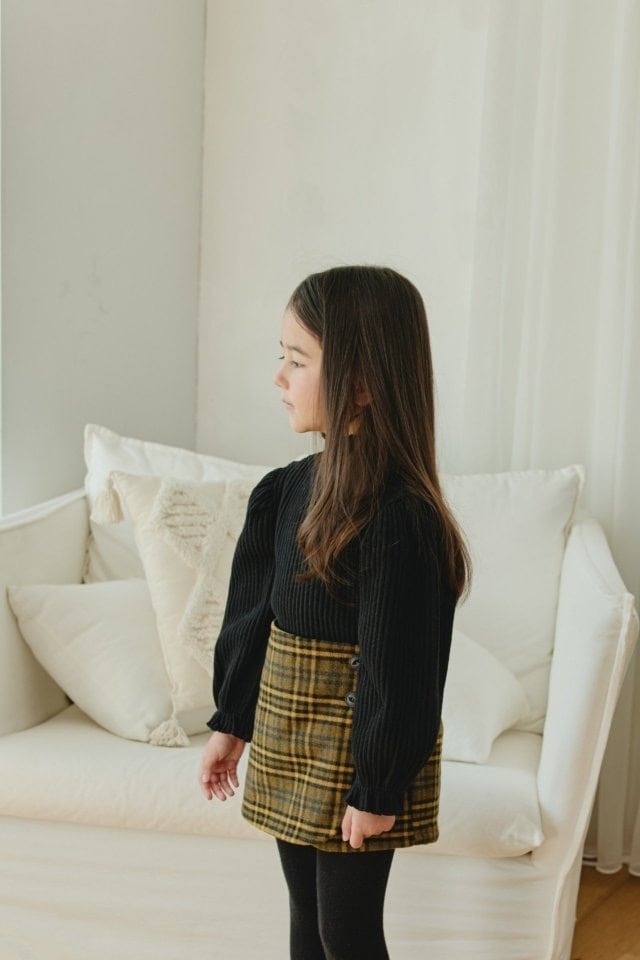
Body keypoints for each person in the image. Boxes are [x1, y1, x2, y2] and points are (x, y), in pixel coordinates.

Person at [198, 265, 471, 960]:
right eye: (282, 357)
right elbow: (253, 616)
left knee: (345, 932)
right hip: (289, 728)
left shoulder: (401, 519)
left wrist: (377, 785)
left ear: (362, 381)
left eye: (297, 360)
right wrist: (232, 720)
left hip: (359, 747)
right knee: (305, 915)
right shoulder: (284, 491)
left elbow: (399, 667)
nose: (279, 377)